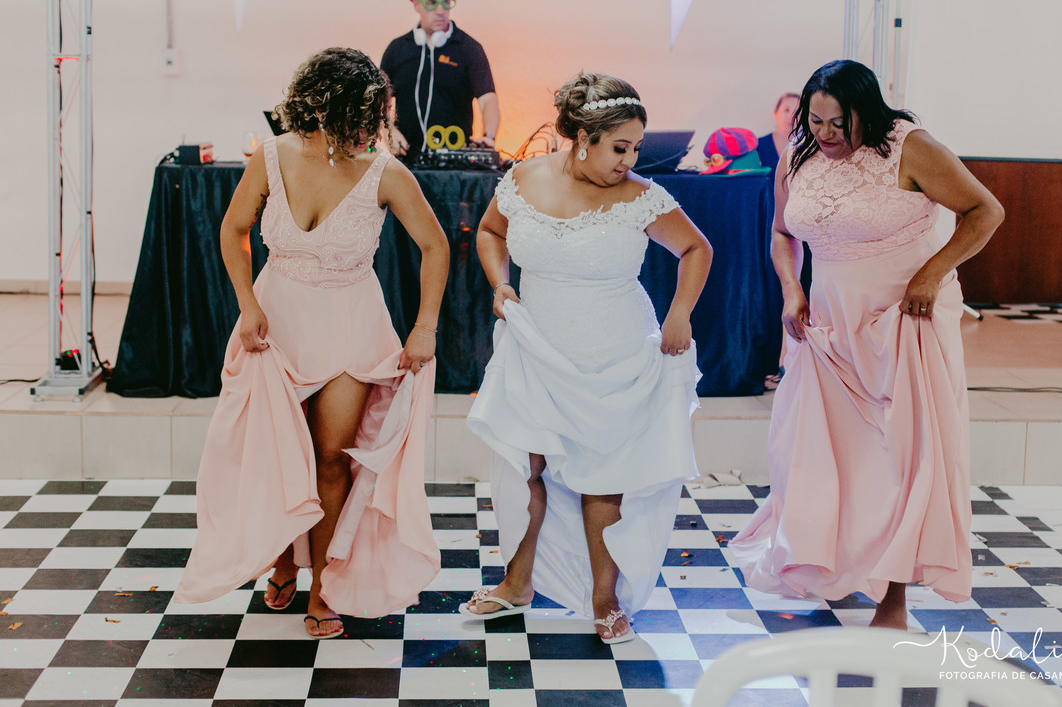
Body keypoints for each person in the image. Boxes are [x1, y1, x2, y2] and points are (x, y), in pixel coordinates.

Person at [174, 48, 451, 639]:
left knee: (331, 458)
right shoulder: (272, 157)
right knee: (277, 453)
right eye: (360, 113)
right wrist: (247, 304)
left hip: (350, 324)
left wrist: (424, 325)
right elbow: (233, 229)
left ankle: (322, 587)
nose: (367, 128)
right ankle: (279, 559)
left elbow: (435, 246)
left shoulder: (385, 172)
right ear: (325, 107)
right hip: (276, 322)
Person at [730, 60, 1004, 629]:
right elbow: (782, 233)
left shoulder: (911, 147)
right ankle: (839, 565)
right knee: (833, 455)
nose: (825, 134)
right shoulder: (799, 152)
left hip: (905, 318)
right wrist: (790, 290)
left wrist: (932, 272)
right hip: (828, 323)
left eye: (838, 123)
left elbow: (986, 212)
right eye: (816, 120)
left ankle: (894, 600)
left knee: (905, 454)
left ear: (868, 113)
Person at [460, 73, 712, 643]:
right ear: (580, 137)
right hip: (535, 347)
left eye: (635, 148)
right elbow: (489, 233)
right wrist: (499, 284)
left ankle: (605, 597)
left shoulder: (641, 196)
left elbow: (698, 248)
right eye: (619, 148)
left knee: (606, 479)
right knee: (527, 470)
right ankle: (517, 582)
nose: (629, 160)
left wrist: (679, 315)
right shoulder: (523, 178)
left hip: (614, 354)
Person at [380, 0, 499, 163]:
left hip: (455, 167)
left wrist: (488, 136)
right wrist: (387, 130)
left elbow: (488, 100)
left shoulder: (469, 48)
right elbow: (377, 103)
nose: (441, 10)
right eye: (432, 3)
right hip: (406, 163)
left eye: (447, 2)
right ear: (416, 4)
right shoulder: (397, 50)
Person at [757, 92, 800, 174]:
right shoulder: (758, 145)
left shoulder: (807, 146)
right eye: (787, 110)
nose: (791, 116)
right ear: (776, 112)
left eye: (797, 112)